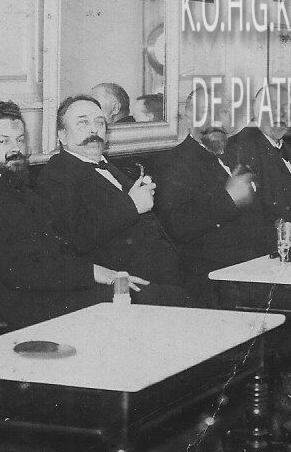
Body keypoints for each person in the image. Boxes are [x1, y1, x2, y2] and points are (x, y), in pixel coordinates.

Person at [0, 101, 141, 329]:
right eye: (3, 141)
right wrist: (95, 273)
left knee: (135, 293)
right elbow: (22, 270)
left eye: (20, 140)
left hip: (47, 293)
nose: (16, 149)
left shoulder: (16, 187)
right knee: (137, 301)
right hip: (21, 308)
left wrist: (107, 273)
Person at [39, 95, 186, 301]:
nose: (94, 130)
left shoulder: (111, 167)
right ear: (62, 135)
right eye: (83, 123)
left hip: (164, 270)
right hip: (123, 282)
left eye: (99, 123)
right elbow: (76, 236)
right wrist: (131, 205)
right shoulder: (56, 174)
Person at [152, 92, 268, 305]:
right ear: (189, 117)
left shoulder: (237, 155)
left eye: (222, 112)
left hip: (254, 266)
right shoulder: (172, 162)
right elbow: (179, 226)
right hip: (214, 280)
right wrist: (229, 199)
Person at [224, 85, 291, 224]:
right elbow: (253, 215)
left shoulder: (286, 146)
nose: (282, 114)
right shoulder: (241, 147)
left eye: (286, 108)